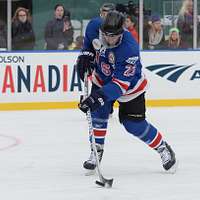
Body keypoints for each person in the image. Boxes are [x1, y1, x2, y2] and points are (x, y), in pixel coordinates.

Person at [77, 11, 177, 173]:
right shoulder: (94, 26)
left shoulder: (129, 48)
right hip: (102, 79)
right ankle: (97, 151)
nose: (108, 40)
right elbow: (88, 43)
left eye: (113, 37)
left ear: (121, 33)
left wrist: (97, 97)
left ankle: (162, 147)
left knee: (133, 125)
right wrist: (85, 54)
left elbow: (119, 86)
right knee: (98, 115)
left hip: (130, 88)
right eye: (105, 35)